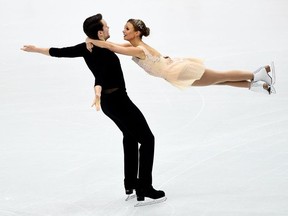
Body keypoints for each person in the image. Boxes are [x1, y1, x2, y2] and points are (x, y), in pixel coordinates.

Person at [21, 13, 166, 206]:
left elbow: (59, 51)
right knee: (147, 139)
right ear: (100, 32)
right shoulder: (102, 49)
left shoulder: (87, 47)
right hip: (118, 100)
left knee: (130, 136)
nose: (109, 29)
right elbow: (102, 71)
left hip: (109, 103)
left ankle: (130, 184)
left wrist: (36, 49)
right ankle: (145, 188)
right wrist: (97, 87)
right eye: (106, 27)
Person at [86, 18, 276, 94]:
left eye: (127, 29)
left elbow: (111, 47)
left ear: (136, 33)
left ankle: (259, 73)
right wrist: (97, 42)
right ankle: (258, 85)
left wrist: (91, 39)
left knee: (221, 76)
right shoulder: (133, 44)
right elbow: (113, 45)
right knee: (220, 81)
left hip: (178, 70)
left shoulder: (137, 49)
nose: (123, 31)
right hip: (175, 71)